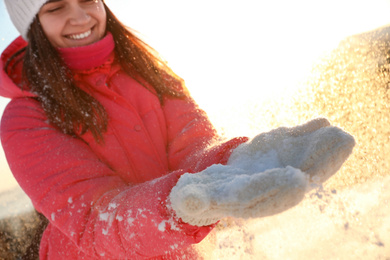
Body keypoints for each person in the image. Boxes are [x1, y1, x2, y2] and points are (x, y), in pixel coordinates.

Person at [0, 0, 355, 259]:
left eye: (88, 0)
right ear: (32, 24)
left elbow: (194, 149)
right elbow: (95, 220)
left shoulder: (150, 73)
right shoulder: (26, 118)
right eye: (56, 7)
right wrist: (176, 206)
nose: (79, 15)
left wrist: (238, 162)